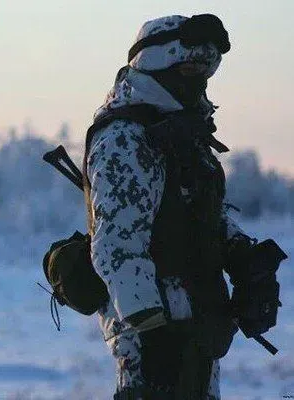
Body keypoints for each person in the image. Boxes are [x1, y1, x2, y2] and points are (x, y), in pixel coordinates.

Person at [83, 14, 285, 399]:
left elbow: (199, 212)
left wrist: (243, 257)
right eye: (190, 68)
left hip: (198, 322)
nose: (199, 80)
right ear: (157, 65)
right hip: (154, 338)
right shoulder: (125, 137)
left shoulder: (184, 132)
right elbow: (116, 244)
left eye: (207, 70)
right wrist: (151, 329)